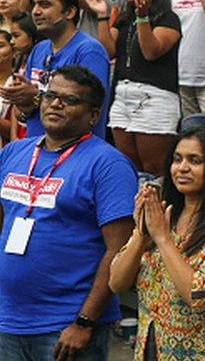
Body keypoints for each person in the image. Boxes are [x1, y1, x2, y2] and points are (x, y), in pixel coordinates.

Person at [0, 65, 136, 361]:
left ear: (93, 116)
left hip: (66, 326)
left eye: (71, 100)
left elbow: (119, 249)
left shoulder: (109, 164)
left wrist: (84, 321)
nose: (56, 104)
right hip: (8, 322)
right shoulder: (14, 152)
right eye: (50, 96)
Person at [108, 125, 205, 359]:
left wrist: (162, 239)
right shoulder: (161, 216)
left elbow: (198, 296)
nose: (182, 168)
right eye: (177, 159)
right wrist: (141, 235)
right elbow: (116, 283)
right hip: (152, 348)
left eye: (194, 161)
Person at [88, 0, 181, 176]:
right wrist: (103, 17)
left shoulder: (168, 18)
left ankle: (159, 207)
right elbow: (108, 51)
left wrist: (143, 17)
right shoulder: (124, 18)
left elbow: (151, 51)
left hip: (154, 96)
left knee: (154, 168)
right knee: (128, 167)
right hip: (122, 93)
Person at [0, 0, 111, 139]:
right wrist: (22, 101)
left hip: (75, 151)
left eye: (45, 5)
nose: (36, 12)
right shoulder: (39, 49)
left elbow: (87, 107)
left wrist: (36, 98)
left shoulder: (89, 51)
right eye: (34, 6)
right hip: (38, 146)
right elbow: (23, 112)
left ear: (70, 12)